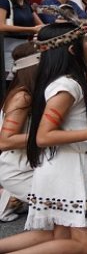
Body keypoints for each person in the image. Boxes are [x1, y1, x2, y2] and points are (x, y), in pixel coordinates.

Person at [0, 23, 87, 253]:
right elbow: (42, 136)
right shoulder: (67, 86)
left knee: (56, 235)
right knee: (86, 245)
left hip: (62, 167)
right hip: (67, 171)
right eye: (85, 41)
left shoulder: (65, 82)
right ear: (72, 50)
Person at [0, 44, 40, 222]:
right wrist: (51, 137)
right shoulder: (22, 97)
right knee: (79, 208)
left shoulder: (33, 92)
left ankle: (14, 199)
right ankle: (12, 197)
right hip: (18, 170)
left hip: (33, 165)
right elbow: (5, 141)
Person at [0, 0, 43, 78]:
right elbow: (1, 26)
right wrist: (31, 29)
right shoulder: (5, 2)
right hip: (7, 47)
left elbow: (41, 25)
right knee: (9, 79)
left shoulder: (27, 5)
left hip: (24, 48)